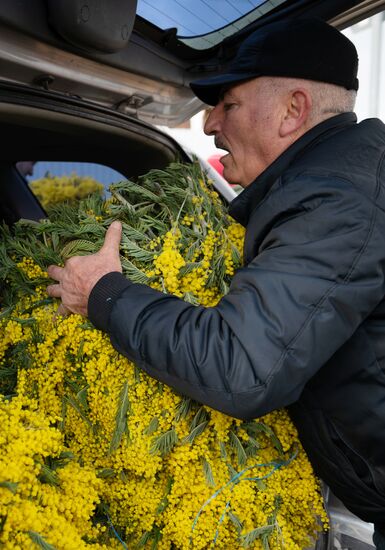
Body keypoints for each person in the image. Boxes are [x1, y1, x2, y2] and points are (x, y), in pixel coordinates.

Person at [46, 18, 385, 548]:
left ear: (293, 110)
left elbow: (242, 367)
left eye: (228, 104)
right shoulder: (347, 177)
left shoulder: (337, 201)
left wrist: (104, 292)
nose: (207, 124)